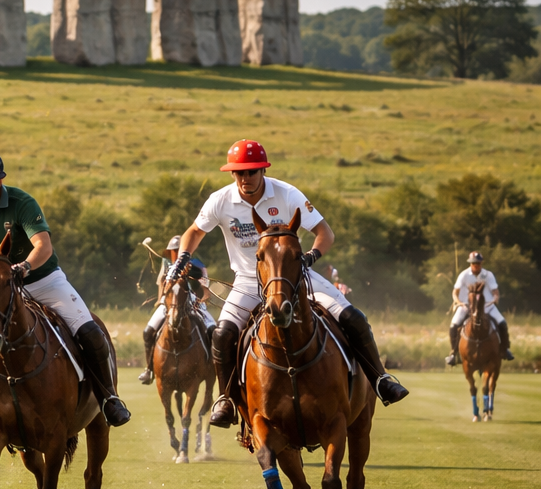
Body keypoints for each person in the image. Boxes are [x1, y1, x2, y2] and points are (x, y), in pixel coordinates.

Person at [174, 139, 410, 429]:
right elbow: (195, 231)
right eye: (238, 173)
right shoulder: (220, 200)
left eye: (251, 172)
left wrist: (311, 257)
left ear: (263, 170)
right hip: (249, 280)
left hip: (296, 276)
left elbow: (325, 233)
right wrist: (183, 256)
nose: (244, 179)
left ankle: (381, 379)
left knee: (352, 317)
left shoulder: (286, 194)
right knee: (222, 335)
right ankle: (226, 399)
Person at [0, 150, 130, 431]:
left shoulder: (22, 202)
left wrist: (23, 268)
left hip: (41, 279)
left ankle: (109, 399)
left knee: (90, 331)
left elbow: (43, 246)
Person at [137, 235, 216, 385]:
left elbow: (205, 290)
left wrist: (200, 301)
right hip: (169, 305)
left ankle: (212, 365)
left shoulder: (197, 266)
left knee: (213, 330)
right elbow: (162, 282)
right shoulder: (167, 264)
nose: (174, 254)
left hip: (194, 304)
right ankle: (149, 369)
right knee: (148, 331)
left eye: (177, 251)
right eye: (173, 251)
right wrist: (161, 300)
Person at [447, 251, 514, 364]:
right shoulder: (464, 275)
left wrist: (495, 298)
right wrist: (458, 302)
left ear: (481, 263)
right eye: (473, 263)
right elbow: (455, 292)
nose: (476, 265)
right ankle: (454, 353)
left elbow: (495, 291)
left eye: (478, 263)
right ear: (470, 263)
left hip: (487, 306)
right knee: (453, 325)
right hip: (466, 306)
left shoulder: (488, 275)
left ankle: (505, 349)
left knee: (502, 323)